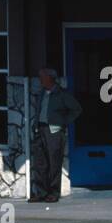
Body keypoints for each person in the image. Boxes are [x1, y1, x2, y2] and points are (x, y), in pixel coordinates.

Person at [30, 67, 82, 203]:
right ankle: (41, 192)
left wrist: (63, 122)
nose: (40, 80)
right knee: (40, 162)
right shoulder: (42, 93)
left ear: (50, 78)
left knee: (54, 163)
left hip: (54, 131)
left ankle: (53, 192)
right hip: (40, 129)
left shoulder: (61, 94)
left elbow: (76, 109)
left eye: (42, 77)